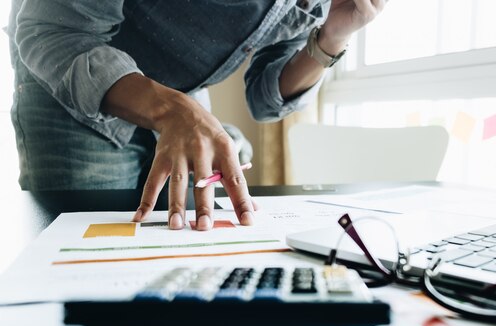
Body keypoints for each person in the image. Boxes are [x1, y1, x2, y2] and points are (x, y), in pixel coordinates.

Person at [7, 0, 386, 230]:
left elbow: (265, 100)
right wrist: (174, 111)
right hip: (73, 82)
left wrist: (331, 38)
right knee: (82, 258)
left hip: (183, 95)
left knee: (179, 242)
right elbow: (51, 31)